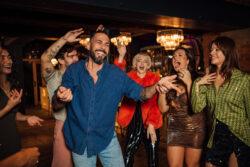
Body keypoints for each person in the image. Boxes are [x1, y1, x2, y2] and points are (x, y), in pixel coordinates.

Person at [52, 29, 180, 167]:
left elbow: (142, 93)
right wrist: (60, 97)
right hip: (79, 139)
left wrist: (156, 86)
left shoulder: (116, 74)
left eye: (107, 44)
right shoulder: (73, 70)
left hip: (106, 139)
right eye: (99, 42)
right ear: (88, 45)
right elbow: (56, 104)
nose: (103, 47)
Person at [191, 36, 250, 167]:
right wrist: (197, 84)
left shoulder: (244, 79)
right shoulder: (207, 81)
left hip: (239, 136)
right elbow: (196, 108)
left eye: (216, 50)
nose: (211, 53)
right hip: (216, 137)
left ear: (228, 52)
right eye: (211, 50)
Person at [41, 28, 83, 167]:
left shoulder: (81, 76)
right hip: (64, 126)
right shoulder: (54, 76)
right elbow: (44, 58)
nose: (76, 59)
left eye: (76, 55)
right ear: (60, 60)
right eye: (71, 56)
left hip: (81, 126)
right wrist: (64, 39)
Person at [158, 47, 206, 167]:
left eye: (180, 55)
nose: (175, 58)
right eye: (173, 56)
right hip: (175, 129)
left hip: (195, 128)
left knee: (192, 165)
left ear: (188, 60)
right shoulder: (170, 80)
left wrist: (189, 82)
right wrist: (162, 89)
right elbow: (163, 109)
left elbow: (197, 107)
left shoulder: (199, 79)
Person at [114, 49, 162, 167]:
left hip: (151, 122)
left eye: (145, 61)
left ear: (149, 65)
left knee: (153, 157)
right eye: (139, 61)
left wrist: (151, 124)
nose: (142, 64)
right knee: (128, 155)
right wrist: (121, 57)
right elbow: (117, 78)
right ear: (135, 64)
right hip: (133, 120)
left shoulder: (155, 79)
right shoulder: (129, 77)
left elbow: (156, 104)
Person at [0, 46, 42, 165]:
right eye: (2, 57)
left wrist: (26, 117)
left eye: (9, 57)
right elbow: (7, 109)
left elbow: (11, 114)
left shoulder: (13, 85)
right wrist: (9, 106)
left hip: (12, 140)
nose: (8, 61)